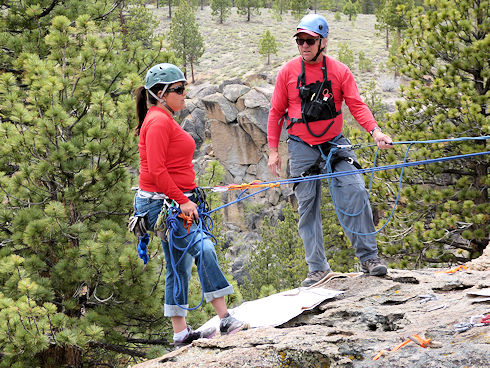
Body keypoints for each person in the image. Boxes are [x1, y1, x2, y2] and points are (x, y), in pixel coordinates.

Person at [267, 14, 394, 287]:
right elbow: (276, 112)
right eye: (300, 40)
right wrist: (273, 151)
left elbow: (356, 105)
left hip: (334, 142)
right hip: (301, 146)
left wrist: (375, 132)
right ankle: (317, 268)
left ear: (323, 41)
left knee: (356, 189)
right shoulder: (287, 73)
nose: (304, 45)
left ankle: (369, 258)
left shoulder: (339, 71)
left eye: (309, 40)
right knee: (307, 206)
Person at [134, 63, 247, 346]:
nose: (186, 94)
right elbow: (158, 172)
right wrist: (184, 200)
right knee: (204, 248)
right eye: (179, 89)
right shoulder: (159, 121)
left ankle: (180, 333)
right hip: (167, 204)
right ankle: (225, 319)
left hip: (163, 201)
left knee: (178, 265)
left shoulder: (159, 116)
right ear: (161, 93)